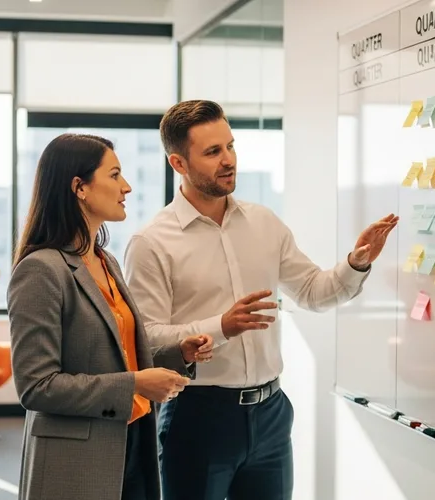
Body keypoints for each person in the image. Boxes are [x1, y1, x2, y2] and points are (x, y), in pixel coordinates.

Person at [123, 100, 398, 500]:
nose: (228, 160)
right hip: (199, 415)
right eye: (213, 152)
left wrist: (355, 263)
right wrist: (221, 326)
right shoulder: (151, 242)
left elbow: (313, 292)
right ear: (178, 164)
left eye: (230, 146)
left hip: (271, 414)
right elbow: (146, 337)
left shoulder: (264, 223)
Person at [7, 133, 215, 500]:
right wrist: (134, 384)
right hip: (76, 462)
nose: (127, 187)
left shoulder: (106, 262)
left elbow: (117, 353)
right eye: (115, 175)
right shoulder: (41, 270)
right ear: (79, 188)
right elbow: (36, 386)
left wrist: (177, 354)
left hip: (131, 441)